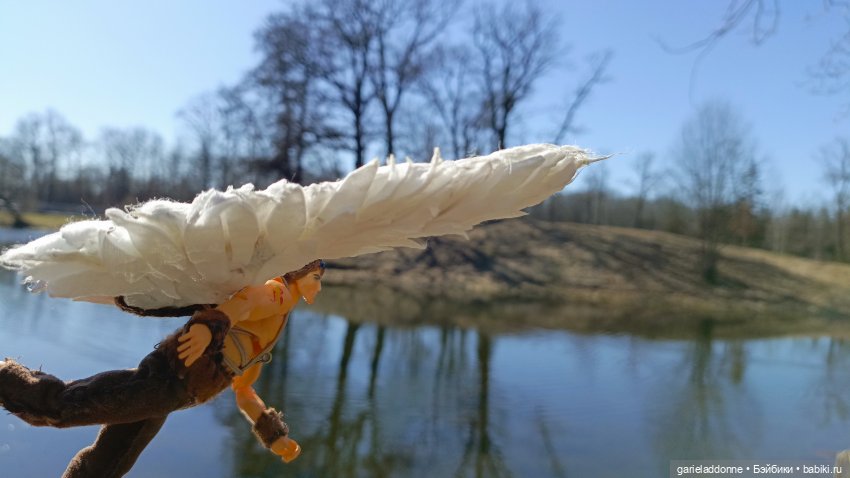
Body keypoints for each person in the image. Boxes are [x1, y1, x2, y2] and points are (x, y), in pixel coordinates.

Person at [0, 259, 325, 478]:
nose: (318, 286)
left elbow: (243, 391)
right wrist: (210, 327)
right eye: (316, 277)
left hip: (178, 392)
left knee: (109, 463)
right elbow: (248, 299)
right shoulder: (281, 293)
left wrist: (274, 436)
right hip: (174, 378)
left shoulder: (276, 327)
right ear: (297, 274)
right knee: (63, 406)